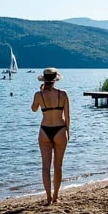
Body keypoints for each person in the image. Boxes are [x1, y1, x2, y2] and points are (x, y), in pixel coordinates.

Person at [31, 67, 70, 205]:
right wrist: (68, 132)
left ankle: (48, 197)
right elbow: (67, 116)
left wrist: (41, 93)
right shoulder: (63, 94)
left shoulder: (38, 94)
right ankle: (56, 196)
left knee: (45, 166)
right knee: (58, 165)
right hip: (60, 129)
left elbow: (34, 109)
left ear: (44, 80)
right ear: (55, 80)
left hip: (45, 131)